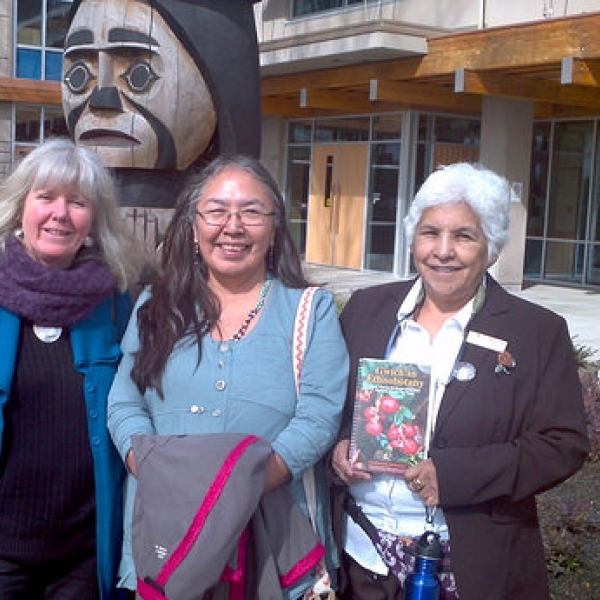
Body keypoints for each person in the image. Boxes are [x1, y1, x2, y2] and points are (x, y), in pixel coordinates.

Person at [330, 162, 589, 600]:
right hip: (361, 554)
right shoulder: (365, 309)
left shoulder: (536, 331)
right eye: (430, 233)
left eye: (464, 236)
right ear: (413, 239)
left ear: (491, 249)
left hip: (470, 561)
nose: (443, 250)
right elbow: (327, 404)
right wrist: (337, 449)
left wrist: (454, 475)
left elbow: (563, 443)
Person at [107, 154, 349, 598]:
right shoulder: (156, 306)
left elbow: (318, 418)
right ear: (194, 227)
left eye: (252, 212)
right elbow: (125, 402)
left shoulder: (309, 311)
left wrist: (236, 490)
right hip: (166, 536)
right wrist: (158, 476)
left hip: (274, 544)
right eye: (216, 211)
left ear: (274, 227)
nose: (232, 226)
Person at [0, 139, 143, 599]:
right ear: (22, 206)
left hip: (83, 553)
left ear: (94, 219)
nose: (60, 213)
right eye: (46, 197)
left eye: (77, 202)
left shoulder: (118, 302)